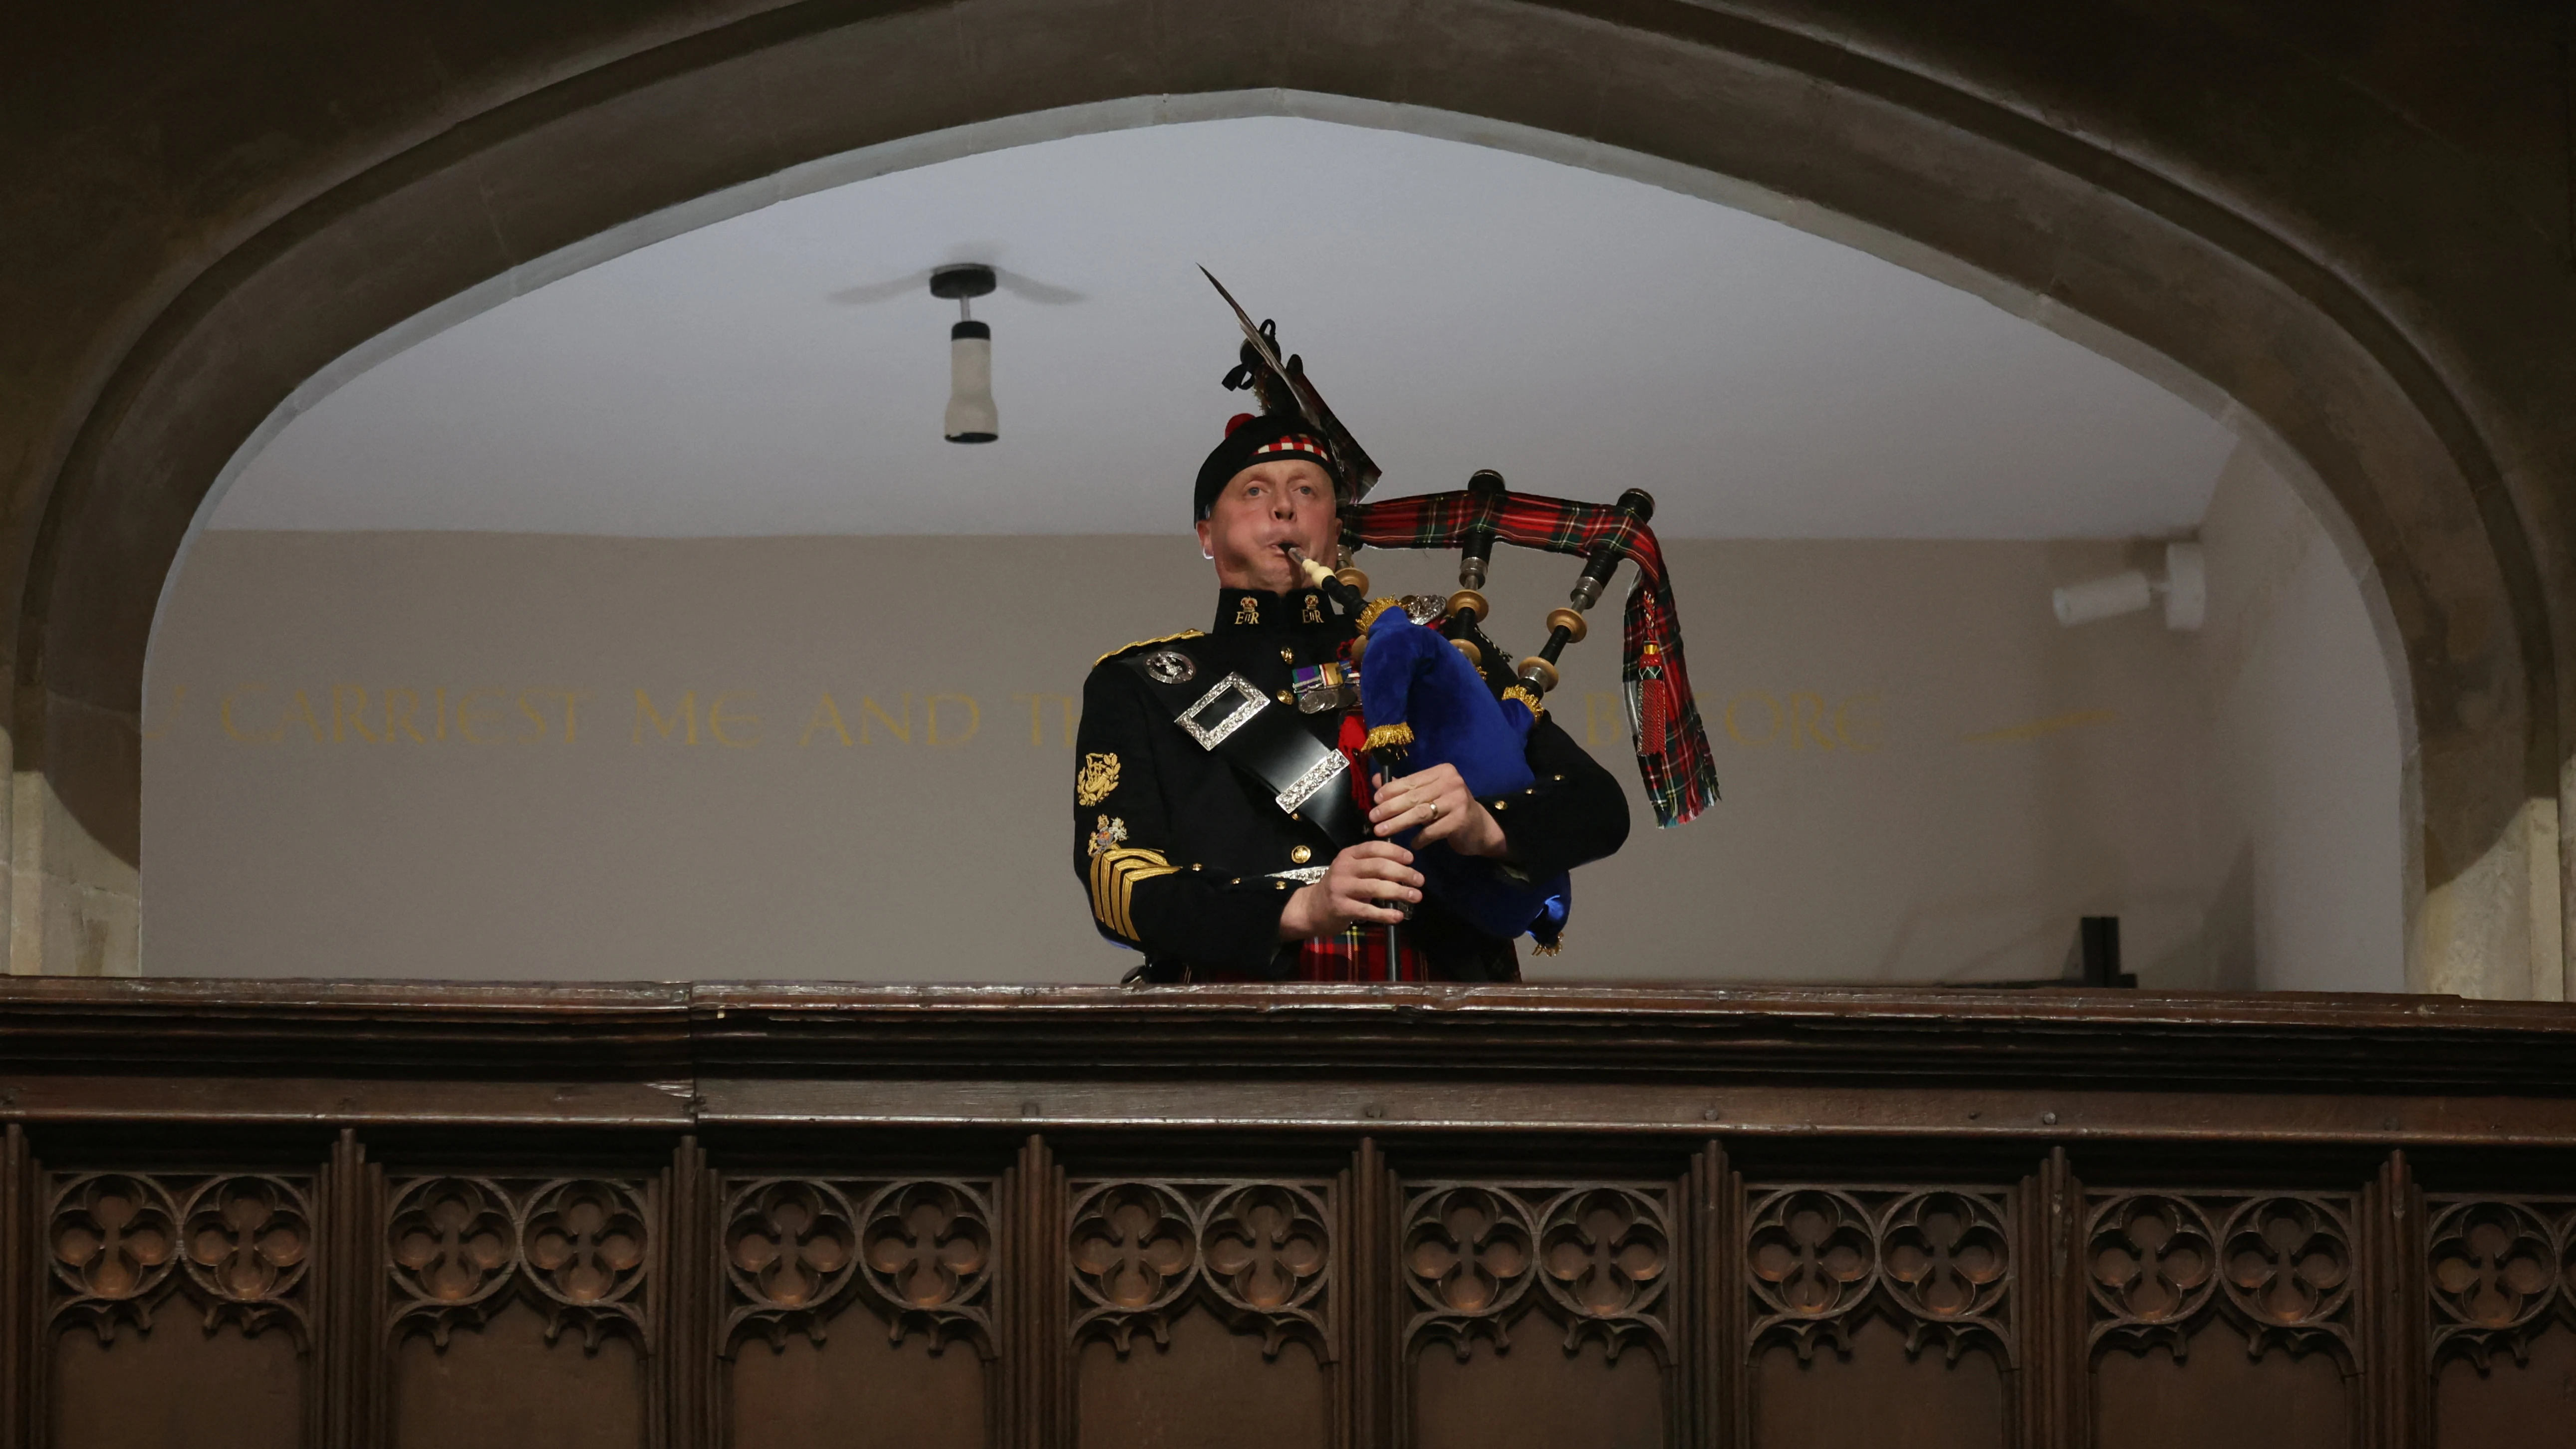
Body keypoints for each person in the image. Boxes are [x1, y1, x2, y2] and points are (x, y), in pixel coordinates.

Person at [1072, 413, 1629, 981]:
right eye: (1254, 490)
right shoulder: (1139, 681)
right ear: (1205, 534)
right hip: (1237, 1027)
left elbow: (1596, 806)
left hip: (1450, 1015)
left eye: (1306, 490)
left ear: (1335, 531)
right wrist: (1301, 910)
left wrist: (1485, 826)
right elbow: (1117, 880)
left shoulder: (1425, 645)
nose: (1283, 507)